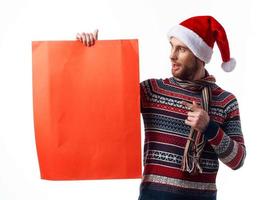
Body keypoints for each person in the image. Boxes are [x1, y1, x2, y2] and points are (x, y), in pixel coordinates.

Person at [76, 15, 246, 200]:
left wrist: (208, 127)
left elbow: (237, 160)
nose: (172, 55)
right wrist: (92, 54)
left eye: (181, 49)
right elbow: (102, 104)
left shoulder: (225, 101)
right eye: (172, 46)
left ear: (199, 55)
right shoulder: (152, 91)